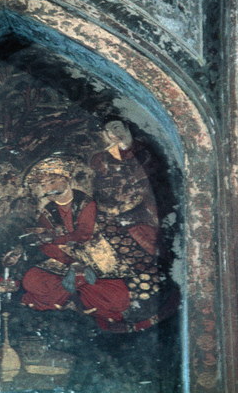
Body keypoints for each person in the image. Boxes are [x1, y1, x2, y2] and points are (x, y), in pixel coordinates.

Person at [89, 120, 180, 331]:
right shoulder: (101, 158)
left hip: (145, 210)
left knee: (148, 248)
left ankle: (151, 293)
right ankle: (124, 300)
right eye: (109, 130)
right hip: (114, 211)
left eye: (118, 127)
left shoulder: (147, 152)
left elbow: (155, 180)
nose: (115, 133)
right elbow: (100, 185)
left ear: (127, 128)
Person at [20, 156, 131, 327]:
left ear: (67, 179)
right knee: (31, 280)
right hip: (64, 260)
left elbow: (84, 234)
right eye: (43, 185)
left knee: (118, 298)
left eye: (52, 182)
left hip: (94, 257)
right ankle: (77, 297)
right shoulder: (47, 211)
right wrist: (66, 259)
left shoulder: (86, 203)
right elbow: (45, 244)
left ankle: (73, 297)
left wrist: (56, 239)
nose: (48, 188)